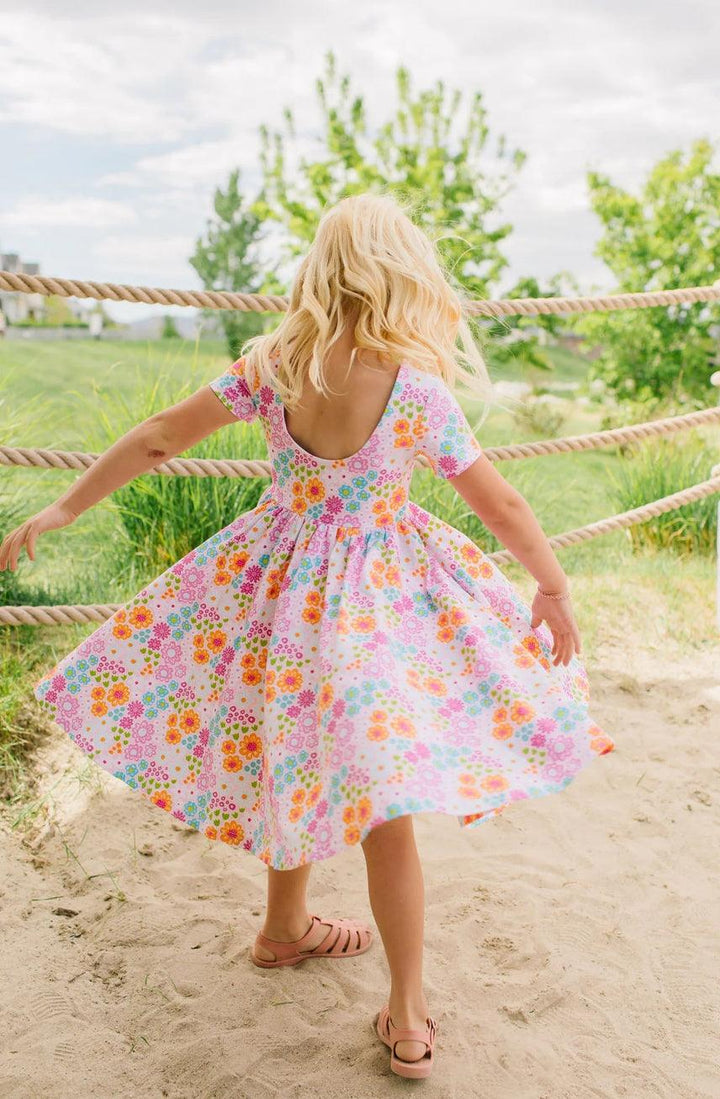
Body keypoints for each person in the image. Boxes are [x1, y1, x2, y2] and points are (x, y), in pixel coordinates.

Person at [0, 192, 615, 1080]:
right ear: (398, 274)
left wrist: (63, 506)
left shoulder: (276, 363)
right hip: (371, 612)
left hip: (276, 598)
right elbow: (503, 503)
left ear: (322, 270)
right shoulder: (414, 390)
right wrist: (551, 585)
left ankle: (286, 927)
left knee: (286, 751)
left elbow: (159, 438)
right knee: (384, 804)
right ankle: (404, 1008)